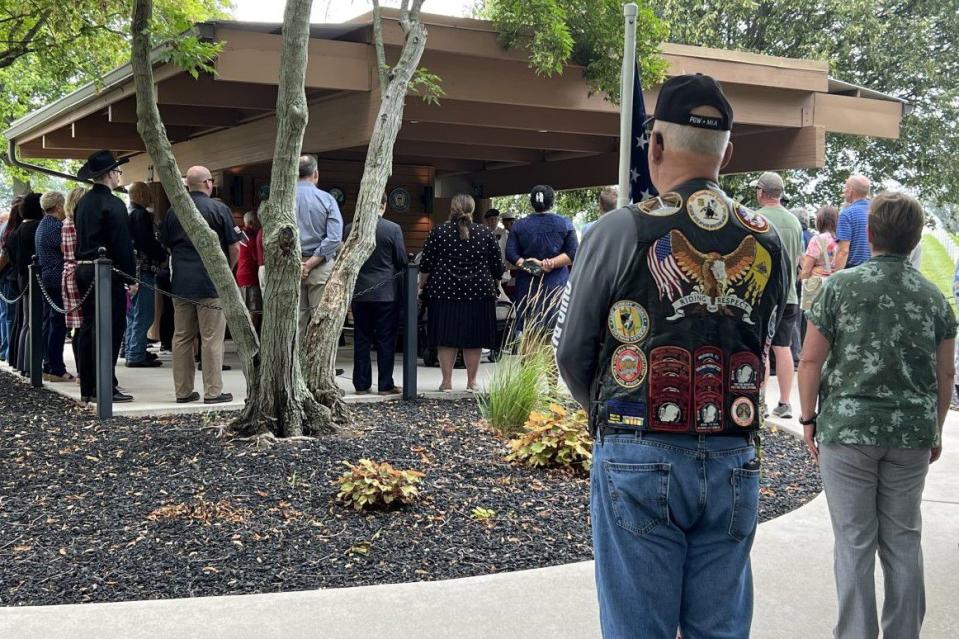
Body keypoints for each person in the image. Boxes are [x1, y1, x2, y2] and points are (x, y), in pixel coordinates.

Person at [554, 73, 788, 638]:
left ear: (654, 145)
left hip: (637, 445)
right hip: (734, 450)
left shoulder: (619, 230)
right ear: (727, 153)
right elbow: (765, 337)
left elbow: (573, 353)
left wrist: (611, 412)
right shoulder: (769, 243)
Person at [799, 191, 955, 639]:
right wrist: (936, 429)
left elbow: (810, 362)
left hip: (846, 432)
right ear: (915, 238)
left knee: (854, 542)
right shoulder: (933, 298)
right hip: (910, 433)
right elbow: (946, 372)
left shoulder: (838, 288)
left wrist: (808, 420)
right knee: (904, 539)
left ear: (869, 234)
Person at [159, 165, 241, 405]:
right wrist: (227, 272)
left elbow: (167, 245)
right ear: (207, 183)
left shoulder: (175, 211)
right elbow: (235, 247)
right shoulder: (219, 208)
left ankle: (182, 391)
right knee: (211, 338)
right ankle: (213, 391)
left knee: (182, 337)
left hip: (181, 282)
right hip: (211, 282)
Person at [419, 193, 503, 392]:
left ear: (452, 208)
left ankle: (446, 382)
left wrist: (422, 286)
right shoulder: (485, 233)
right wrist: (496, 283)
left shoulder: (438, 232)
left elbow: (425, 265)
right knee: (473, 339)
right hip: (479, 293)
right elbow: (497, 267)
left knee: (445, 338)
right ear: (473, 210)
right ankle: (471, 382)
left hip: (444, 292)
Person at [74, 151, 137, 403]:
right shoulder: (114, 204)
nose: (119, 176)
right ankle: (105, 385)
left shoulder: (83, 203)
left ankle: (88, 386)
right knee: (111, 328)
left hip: (84, 268)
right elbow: (122, 244)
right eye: (118, 172)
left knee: (89, 327)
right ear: (111, 174)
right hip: (104, 271)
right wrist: (130, 277)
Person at [751, 171, 803, 419]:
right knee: (784, 348)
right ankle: (784, 402)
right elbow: (800, 261)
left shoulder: (755, 219)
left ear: (761, 192)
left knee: (763, 348)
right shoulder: (794, 221)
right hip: (790, 294)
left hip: (763, 295)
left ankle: (759, 400)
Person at [348, 194, 407, 395]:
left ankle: (362, 384)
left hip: (359, 292)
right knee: (385, 339)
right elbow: (401, 261)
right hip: (386, 293)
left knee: (361, 338)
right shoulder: (393, 229)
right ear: (383, 205)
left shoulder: (350, 229)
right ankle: (385, 384)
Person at [505, 185, 578, 333]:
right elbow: (574, 253)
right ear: (552, 202)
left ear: (532, 202)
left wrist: (534, 267)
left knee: (529, 329)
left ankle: (529, 357)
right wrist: (550, 264)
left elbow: (511, 254)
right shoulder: (564, 223)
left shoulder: (519, 225)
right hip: (556, 283)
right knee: (555, 328)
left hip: (528, 284)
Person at [295, 154, 343, 338]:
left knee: (295, 321)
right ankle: (316, 366)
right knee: (320, 321)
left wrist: (300, 264)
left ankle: (294, 365)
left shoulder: (282, 200)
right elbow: (334, 238)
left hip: (291, 265)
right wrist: (311, 263)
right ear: (315, 173)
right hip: (321, 265)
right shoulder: (327, 199)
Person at [124, 182, 166, 368]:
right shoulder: (140, 215)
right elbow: (146, 242)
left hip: (132, 268)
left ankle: (131, 347)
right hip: (144, 268)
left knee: (133, 312)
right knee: (144, 313)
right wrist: (162, 253)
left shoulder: (128, 212)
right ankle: (135, 353)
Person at [35, 191, 73, 382]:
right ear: (59, 206)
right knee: (57, 324)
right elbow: (65, 250)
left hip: (46, 278)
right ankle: (56, 367)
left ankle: (48, 364)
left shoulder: (42, 225)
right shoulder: (55, 226)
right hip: (56, 278)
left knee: (49, 323)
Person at [8, 193, 44, 375]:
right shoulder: (36, 228)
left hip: (21, 277)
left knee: (25, 323)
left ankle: (21, 362)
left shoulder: (16, 230)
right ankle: (31, 366)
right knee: (32, 323)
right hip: (33, 278)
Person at [61, 187, 86, 372]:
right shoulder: (79, 223)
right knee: (85, 326)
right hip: (80, 272)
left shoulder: (65, 222)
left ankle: (80, 372)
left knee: (77, 327)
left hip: (68, 273)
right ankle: (83, 371)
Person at [0, 197, 23, 362]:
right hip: (9, 276)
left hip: (5, 276)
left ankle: (5, 350)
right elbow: (5, 256)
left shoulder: (6, 228)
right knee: (10, 315)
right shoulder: (12, 229)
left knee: (5, 314)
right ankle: (9, 352)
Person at [834, 174, 872, 270]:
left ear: (850, 191)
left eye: (845, 187)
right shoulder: (878, 211)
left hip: (855, 270)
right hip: (877, 269)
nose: (843, 191)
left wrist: (836, 277)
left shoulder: (847, 214)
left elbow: (843, 251)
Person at [235, 210, 263, 333]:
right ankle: (251, 339)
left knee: (248, 310)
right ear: (251, 222)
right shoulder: (248, 236)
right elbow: (256, 257)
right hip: (250, 276)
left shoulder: (240, 235)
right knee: (253, 310)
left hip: (242, 275)